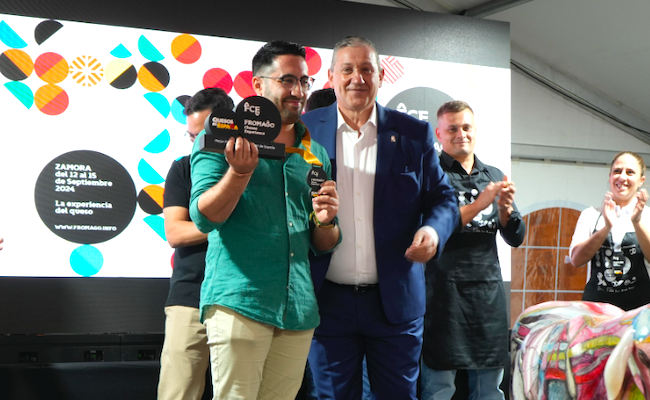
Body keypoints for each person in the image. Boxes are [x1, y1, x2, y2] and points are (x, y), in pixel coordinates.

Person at [301, 36, 458, 400]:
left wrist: (433, 232)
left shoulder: (412, 133)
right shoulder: (304, 131)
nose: (357, 78)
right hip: (327, 301)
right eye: (347, 69)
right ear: (331, 77)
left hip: (396, 303)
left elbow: (442, 198)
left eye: (366, 69)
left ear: (381, 76)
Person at [189, 40, 341, 400]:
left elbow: (324, 244)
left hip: (298, 310)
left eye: (304, 81)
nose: (298, 91)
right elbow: (204, 218)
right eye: (287, 80)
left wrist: (326, 221)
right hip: (240, 301)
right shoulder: (221, 135)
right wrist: (239, 173)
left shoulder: (315, 152)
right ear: (257, 84)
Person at [420, 100, 526, 400]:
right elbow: (432, 230)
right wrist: (480, 204)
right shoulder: (429, 173)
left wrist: (504, 210)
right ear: (439, 134)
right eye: (452, 129)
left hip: (487, 296)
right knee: (439, 389)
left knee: (490, 390)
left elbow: (516, 237)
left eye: (466, 128)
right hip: (442, 296)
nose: (461, 134)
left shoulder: (493, 174)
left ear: (475, 130)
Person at [157, 88, 234, 400]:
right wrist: (230, 224)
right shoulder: (183, 168)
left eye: (204, 135)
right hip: (190, 295)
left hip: (241, 297)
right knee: (178, 391)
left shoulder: (253, 168)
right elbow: (175, 233)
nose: (197, 144)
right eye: (192, 136)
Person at [569, 151, 650, 311]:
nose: (622, 177)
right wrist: (606, 227)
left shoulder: (647, 216)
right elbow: (576, 260)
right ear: (610, 176)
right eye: (617, 171)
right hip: (597, 313)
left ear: (641, 180)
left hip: (639, 314)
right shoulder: (591, 215)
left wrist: (637, 222)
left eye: (630, 172)